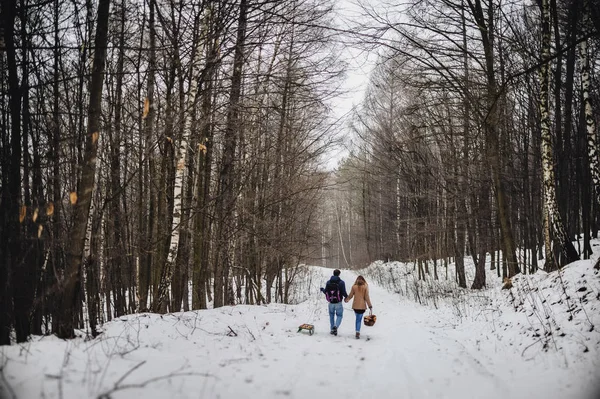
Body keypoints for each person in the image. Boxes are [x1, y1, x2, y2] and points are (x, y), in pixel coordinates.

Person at [320, 269, 348, 335]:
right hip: (338, 302)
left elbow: (325, 291)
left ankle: (332, 329)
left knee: (331, 316)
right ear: (339, 274)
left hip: (331, 303)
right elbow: (344, 292)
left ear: (333, 274)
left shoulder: (328, 282)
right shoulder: (341, 282)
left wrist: (322, 289)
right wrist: (347, 297)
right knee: (339, 315)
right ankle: (335, 327)